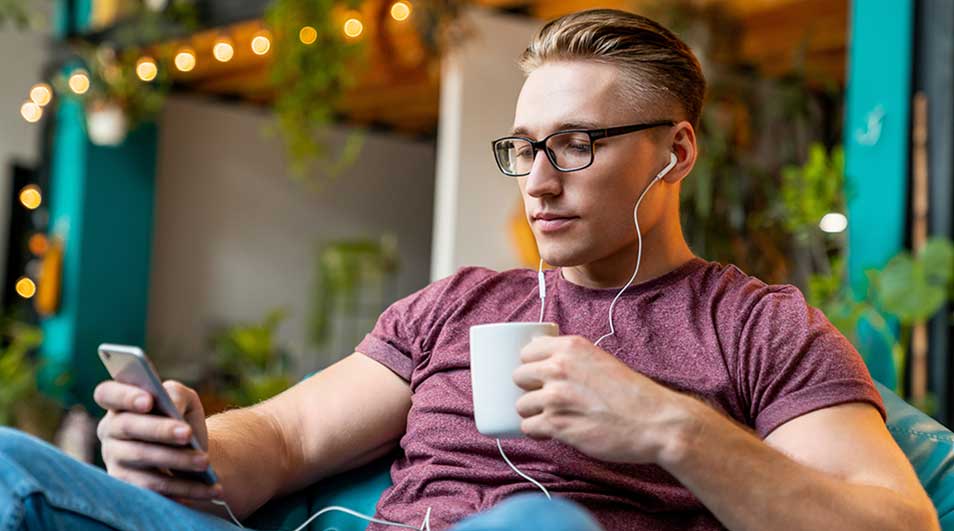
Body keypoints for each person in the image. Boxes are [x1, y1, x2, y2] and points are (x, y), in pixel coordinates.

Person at [0, 8, 939, 531]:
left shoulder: (758, 326)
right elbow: (281, 443)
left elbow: (897, 527)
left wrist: (665, 427)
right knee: (10, 467)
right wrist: (193, 447)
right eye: (523, 146)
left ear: (676, 152)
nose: (536, 182)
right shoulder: (458, 305)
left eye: (575, 146)